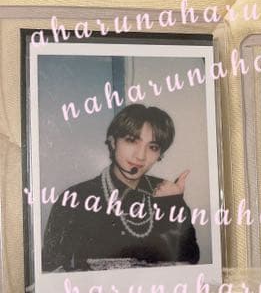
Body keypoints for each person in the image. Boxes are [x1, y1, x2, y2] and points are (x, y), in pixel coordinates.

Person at [42, 104, 200, 271]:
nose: (140, 156)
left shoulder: (166, 194)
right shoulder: (75, 198)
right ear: (112, 142)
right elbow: (52, 267)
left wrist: (172, 205)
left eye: (153, 147)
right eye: (131, 140)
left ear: (159, 154)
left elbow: (189, 260)